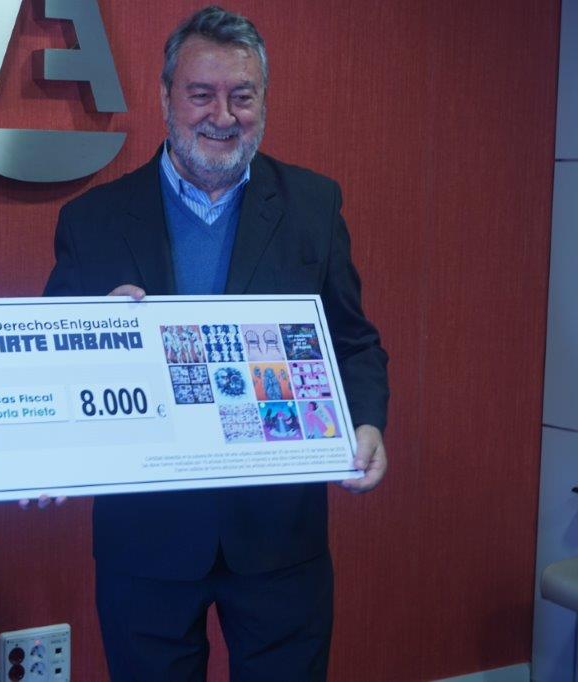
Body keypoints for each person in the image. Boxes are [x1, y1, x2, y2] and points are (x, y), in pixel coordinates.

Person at [43, 6, 389, 681]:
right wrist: (95, 335)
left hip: (279, 537)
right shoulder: (92, 222)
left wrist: (368, 421)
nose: (222, 116)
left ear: (264, 100)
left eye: (242, 95)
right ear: (166, 97)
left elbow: (353, 342)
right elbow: (57, 369)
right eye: (202, 94)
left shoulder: (313, 206)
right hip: (145, 537)